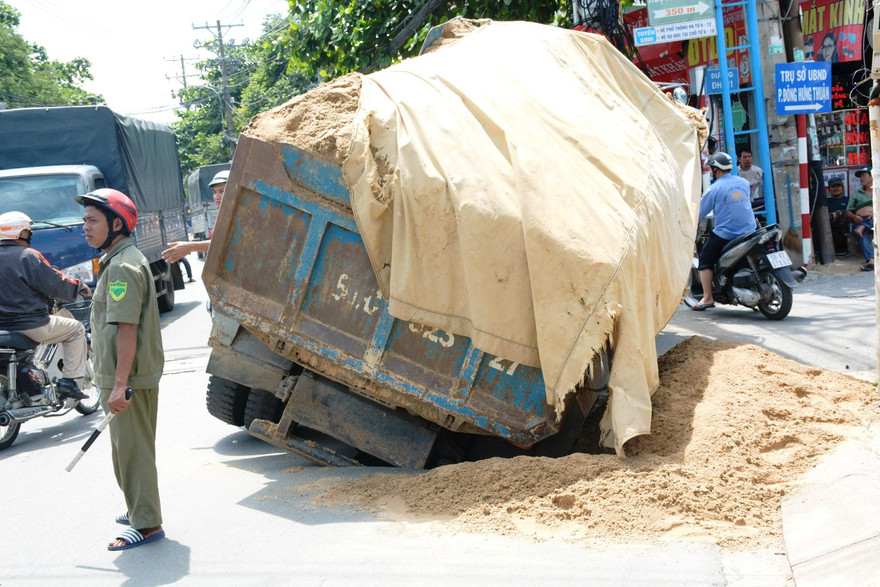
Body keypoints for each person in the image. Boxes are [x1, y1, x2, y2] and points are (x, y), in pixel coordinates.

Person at [75, 189, 166, 551]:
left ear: (116, 224)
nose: (85, 227)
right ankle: (138, 507)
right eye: (85, 220)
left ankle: (147, 524)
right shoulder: (116, 260)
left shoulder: (123, 268)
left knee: (132, 450)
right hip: (121, 376)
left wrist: (119, 385)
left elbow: (127, 329)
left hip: (125, 379)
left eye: (92, 220)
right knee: (126, 448)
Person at [0, 211, 90, 401]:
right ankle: (70, 381)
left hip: (3, 328)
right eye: (28, 231)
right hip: (31, 325)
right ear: (21, 233)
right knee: (76, 330)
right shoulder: (27, 256)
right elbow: (54, 282)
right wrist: (77, 287)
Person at [693, 152, 757, 311]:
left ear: (716, 169)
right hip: (750, 230)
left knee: (705, 259)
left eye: (711, 168)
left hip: (726, 233)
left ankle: (707, 297)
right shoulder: (743, 182)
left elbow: (699, 213)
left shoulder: (714, 189)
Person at [162, 170, 227, 264]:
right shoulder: (224, 216)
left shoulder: (240, 216)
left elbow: (226, 245)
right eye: (214, 192)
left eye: (221, 191)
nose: (216, 197)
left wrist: (190, 247)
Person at [846, 168, 874, 271]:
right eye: (860, 177)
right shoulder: (856, 193)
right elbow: (848, 211)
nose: (861, 179)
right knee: (861, 233)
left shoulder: (878, 190)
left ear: (872, 177)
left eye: (863, 176)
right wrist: (854, 217)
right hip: (861, 220)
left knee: (873, 219)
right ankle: (871, 259)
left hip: (876, 218)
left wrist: (875, 212)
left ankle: (864, 227)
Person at [826, 177, 850, 256]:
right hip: (828, 229)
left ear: (842, 188)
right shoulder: (825, 202)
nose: (836, 188)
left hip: (844, 229)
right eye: (833, 187)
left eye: (838, 186)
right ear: (829, 190)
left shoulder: (848, 200)